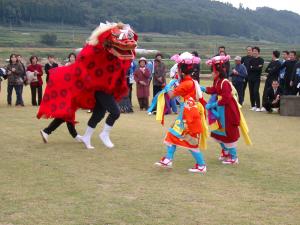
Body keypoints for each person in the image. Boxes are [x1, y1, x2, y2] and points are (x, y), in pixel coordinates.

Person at [154, 52, 208, 173]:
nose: (177, 72)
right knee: (172, 135)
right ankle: (168, 159)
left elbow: (171, 95)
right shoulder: (191, 81)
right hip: (187, 113)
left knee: (190, 141)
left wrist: (167, 86)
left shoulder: (186, 83)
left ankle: (201, 165)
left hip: (188, 115)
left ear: (182, 72)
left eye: (178, 70)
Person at [202, 55, 252, 164]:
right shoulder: (218, 81)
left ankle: (233, 157)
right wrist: (204, 89)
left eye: (213, 72)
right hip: (221, 109)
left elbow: (226, 98)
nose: (212, 74)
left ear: (218, 72)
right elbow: (215, 90)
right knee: (218, 131)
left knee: (228, 132)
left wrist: (213, 104)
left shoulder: (224, 82)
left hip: (227, 110)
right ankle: (225, 152)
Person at [248, 47, 264, 112]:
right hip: (250, 78)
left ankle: (258, 106)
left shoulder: (261, 60)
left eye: (256, 51)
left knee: (256, 91)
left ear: (258, 52)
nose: (254, 52)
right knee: (251, 92)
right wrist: (256, 67)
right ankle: (253, 106)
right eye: (253, 51)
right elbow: (249, 68)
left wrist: (253, 67)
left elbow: (259, 69)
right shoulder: (251, 60)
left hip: (257, 78)